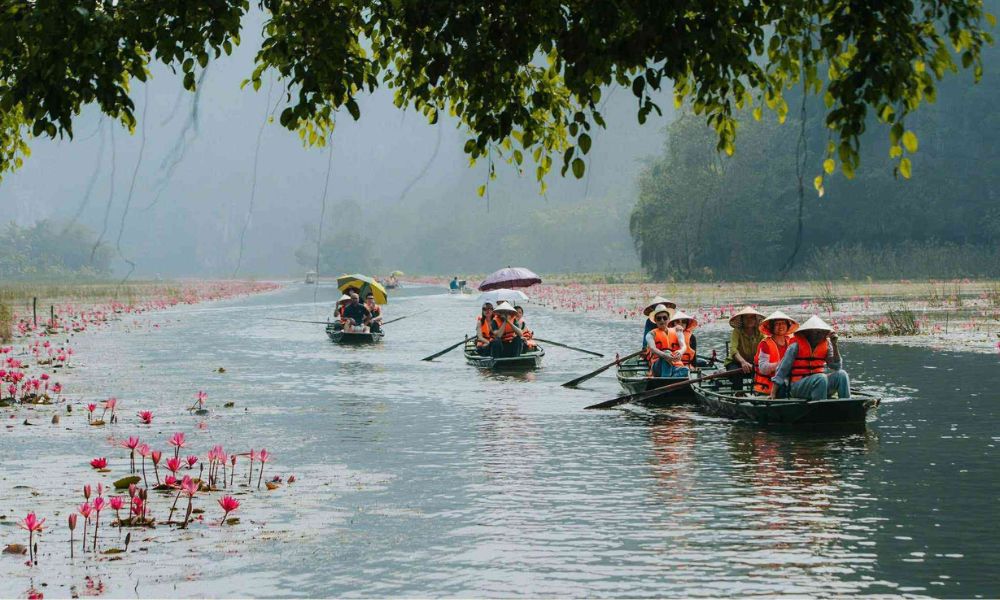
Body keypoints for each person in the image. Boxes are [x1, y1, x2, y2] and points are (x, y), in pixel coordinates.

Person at [770, 315, 850, 400]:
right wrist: (773, 393)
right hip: (798, 386)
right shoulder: (795, 346)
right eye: (816, 332)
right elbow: (782, 370)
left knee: (842, 374)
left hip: (820, 382)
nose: (819, 335)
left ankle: (846, 404)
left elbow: (836, 366)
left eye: (822, 332)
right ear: (808, 332)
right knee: (820, 378)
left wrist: (835, 345)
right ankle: (820, 407)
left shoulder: (827, 344)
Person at [753, 310, 798, 395]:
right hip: (768, 385)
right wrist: (782, 364)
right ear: (771, 327)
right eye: (777, 324)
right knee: (782, 386)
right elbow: (763, 368)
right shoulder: (765, 344)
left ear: (787, 326)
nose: (781, 326)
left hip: (790, 381)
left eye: (783, 323)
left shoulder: (791, 342)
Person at [645, 305, 695, 377]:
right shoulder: (650, 334)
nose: (662, 320)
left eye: (664, 318)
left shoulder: (678, 331)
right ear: (655, 321)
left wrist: (680, 352)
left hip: (675, 365)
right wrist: (665, 356)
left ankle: (673, 375)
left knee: (686, 370)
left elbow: (683, 346)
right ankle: (666, 379)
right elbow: (652, 349)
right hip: (658, 367)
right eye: (659, 318)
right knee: (667, 353)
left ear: (668, 319)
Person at [726, 306, 765, 390]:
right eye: (746, 318)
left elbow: (765, 348)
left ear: (755, 320)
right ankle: (738, 395)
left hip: (754, 362)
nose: (749, 320)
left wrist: (757, 364)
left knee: (765, 371)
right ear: (742, 320)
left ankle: (761, 392)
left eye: (752, 317)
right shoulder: (737, 331)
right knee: (737, 373)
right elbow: (733, 349)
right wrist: (743, 362)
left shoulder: (760, 333)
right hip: (736, 362)